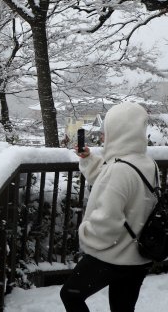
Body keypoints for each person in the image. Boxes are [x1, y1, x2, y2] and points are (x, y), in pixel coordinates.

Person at [60, 102, 158, 312]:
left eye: (107, 130)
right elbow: (114, 183)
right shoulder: (148, 163)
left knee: (70, 294)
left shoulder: (119, 170)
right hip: (139, 257)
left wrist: (84, 233)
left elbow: (106, 224)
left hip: (114, 258)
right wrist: (89, 159)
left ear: (120, 131)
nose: (103, 136)